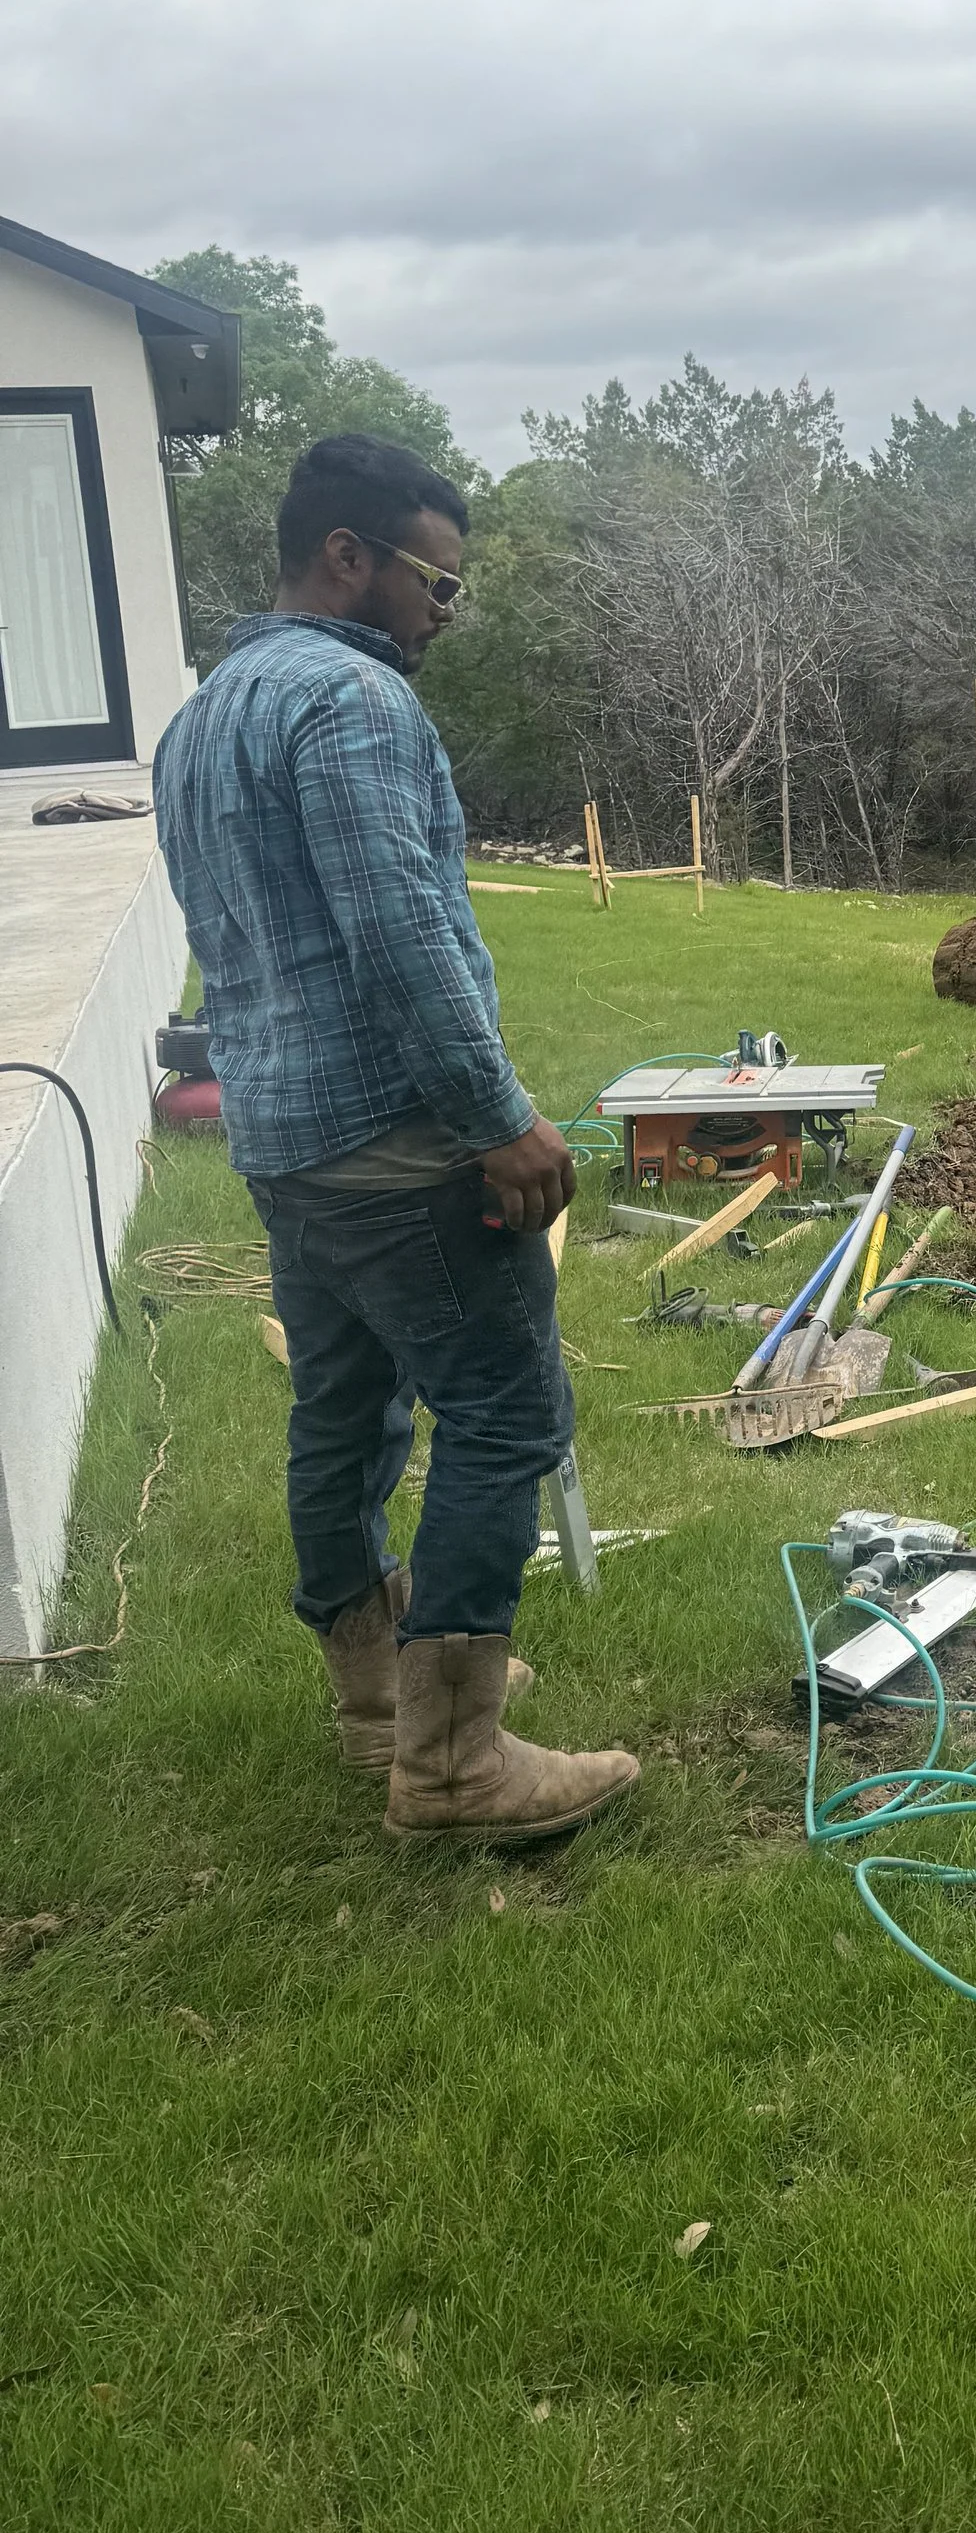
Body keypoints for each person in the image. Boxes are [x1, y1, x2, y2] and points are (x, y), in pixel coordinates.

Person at [153, 433, 637, 1844]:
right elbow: (399, 936)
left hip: (283, 1139)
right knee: (504, 1413)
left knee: (345, 1406)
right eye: (438, 582)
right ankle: (453, 1769)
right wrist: (500, 1120)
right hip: (396, 1141)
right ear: (347, 558)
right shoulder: (352, 702)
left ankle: (379, 1698)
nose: (443, 611)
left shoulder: (206, 712)